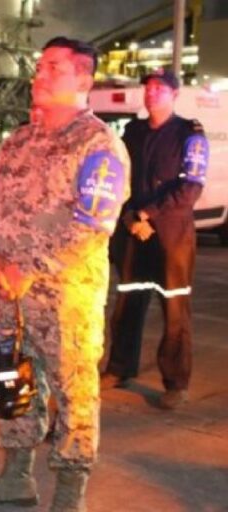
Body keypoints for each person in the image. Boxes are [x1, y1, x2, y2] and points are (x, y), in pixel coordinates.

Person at [0, 37, 129, 510]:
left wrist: (27, 269)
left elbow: (92, 229)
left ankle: (70, 494)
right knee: (11, 383)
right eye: (41, 66)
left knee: (75, 396)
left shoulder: (99, 145)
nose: (41, 74)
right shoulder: (19, 141)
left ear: (83, 81)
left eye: (54, 68)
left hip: (66, 301)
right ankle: (17, 477)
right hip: (10, 296)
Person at [102, 69, 209, 410]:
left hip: (171, 237)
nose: (152, 93)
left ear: (175, 95)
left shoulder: (189, 134)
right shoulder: (132, 132)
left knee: (175, 310)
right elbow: (121, 177)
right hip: (134, 232)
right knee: (128, 304)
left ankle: (176, 383)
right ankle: (119, 367)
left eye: (160, 88)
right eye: (148, 87)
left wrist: (147, 214)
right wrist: (132, 216)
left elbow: (190, 188)